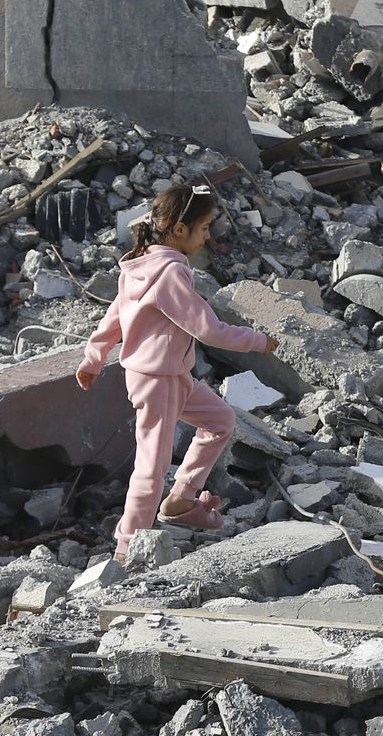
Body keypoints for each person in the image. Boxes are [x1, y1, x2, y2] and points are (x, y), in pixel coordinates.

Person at [75, 183, 278, 561]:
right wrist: (257, 341)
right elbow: (208, 329)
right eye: (204, 228)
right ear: (180, 229)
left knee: (220, 421)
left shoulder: (140, 265)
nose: (207, 237)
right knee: (151, 469)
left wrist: (94, 357)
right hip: (158, 379)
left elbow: (114, 317)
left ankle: (182, 500)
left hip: (171, 374)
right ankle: (126, 548)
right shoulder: (169, 274)